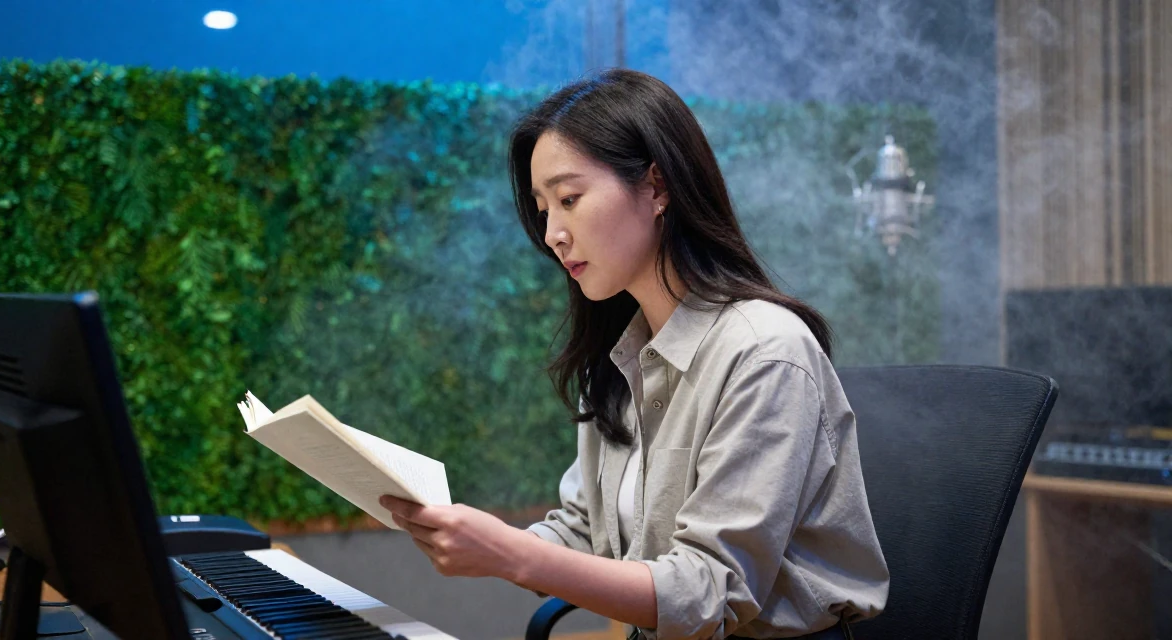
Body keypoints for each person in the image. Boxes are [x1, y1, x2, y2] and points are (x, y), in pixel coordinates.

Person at [380, 68, 889, 640]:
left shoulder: (766, 353)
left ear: (657, 186)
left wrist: (510, 555)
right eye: (543, 208)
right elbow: (585, 529)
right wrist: (478, 539)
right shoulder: (619, 357)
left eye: (569, 199)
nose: (552, 233)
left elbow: (706, 591)